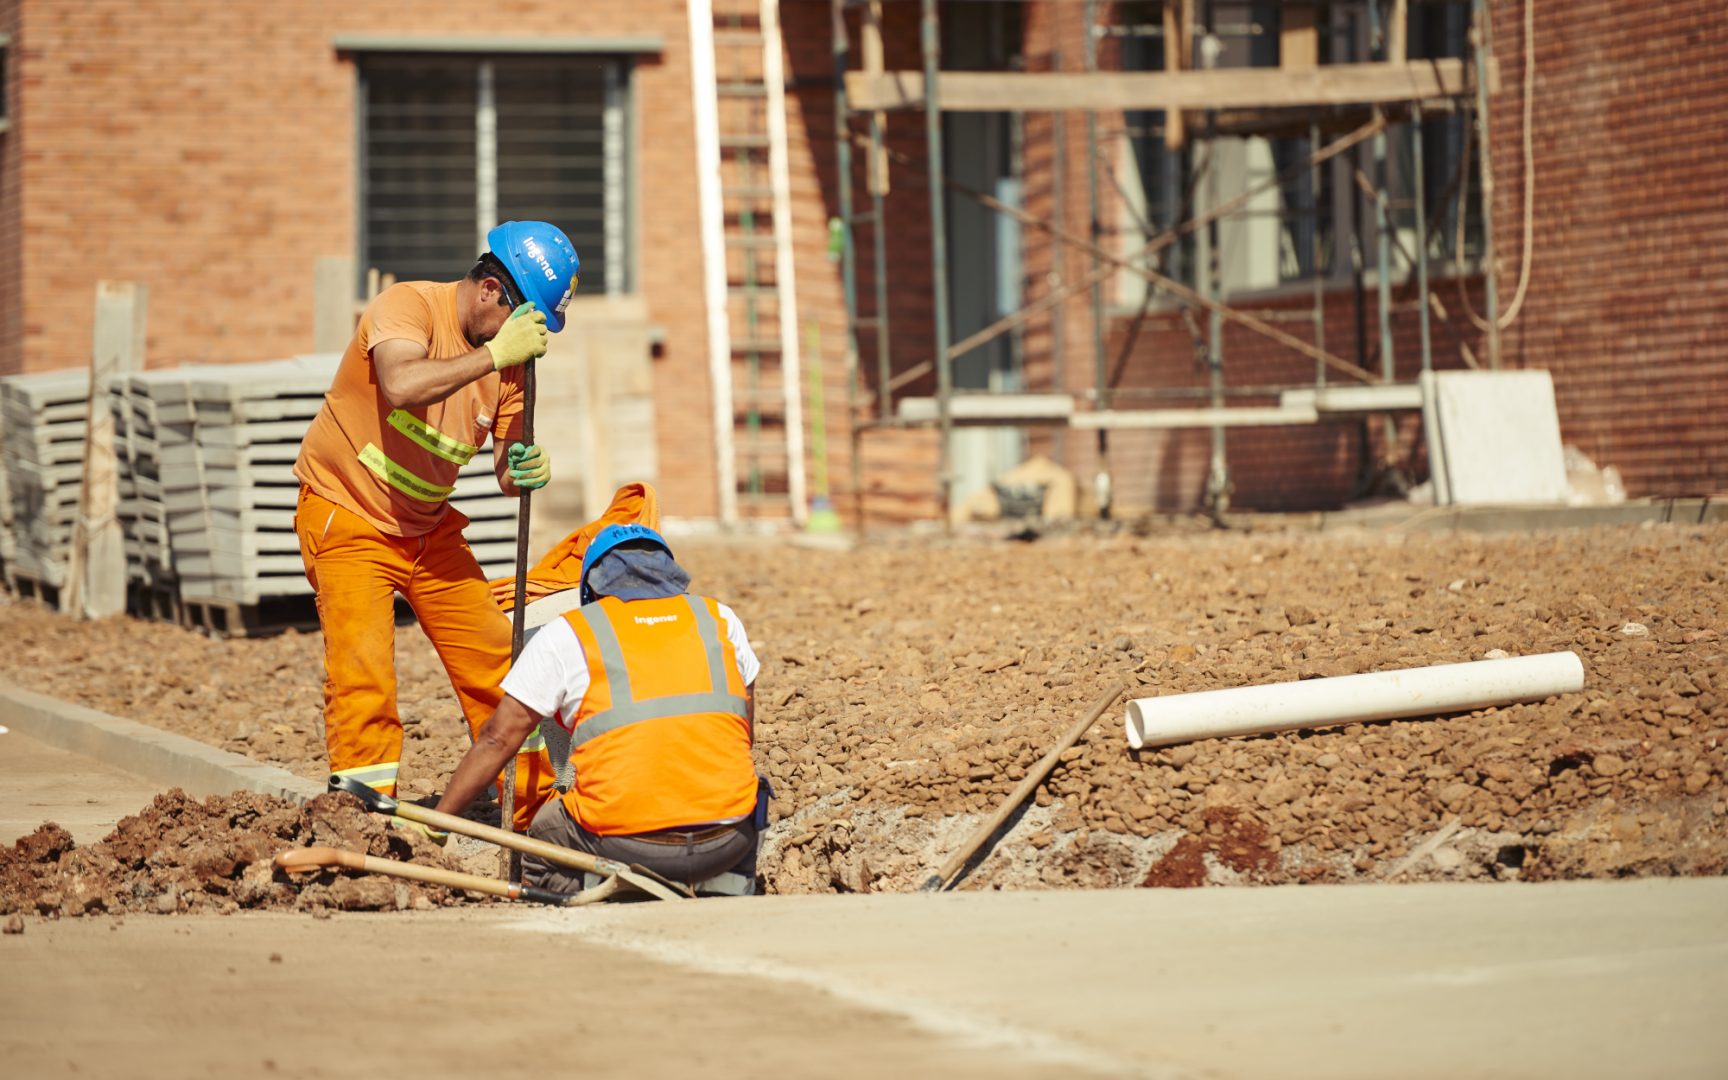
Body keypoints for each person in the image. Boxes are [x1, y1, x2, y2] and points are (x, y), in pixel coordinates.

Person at [293, 221, 580, 830]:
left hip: (428, 532)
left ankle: (530, 810)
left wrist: (525, 465)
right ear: (490, 293)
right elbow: (399, 384)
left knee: (499, 667)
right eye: (522, 321)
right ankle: (360, 819)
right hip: (347, 514)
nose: (524, 341)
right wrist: (494, 356)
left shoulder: (510, 365)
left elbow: (508, 466)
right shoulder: (408, 307)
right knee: (364, 674)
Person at [433, 524, 766, 896]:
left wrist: (437, 822)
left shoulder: (568, 633)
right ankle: (728, 882)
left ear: (591, 587)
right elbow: (743, 733)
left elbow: (497, 738)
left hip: (624, 844)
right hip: (727, 839)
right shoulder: (719, 618)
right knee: (751, 791)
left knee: (543, 830)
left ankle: (613, 888)